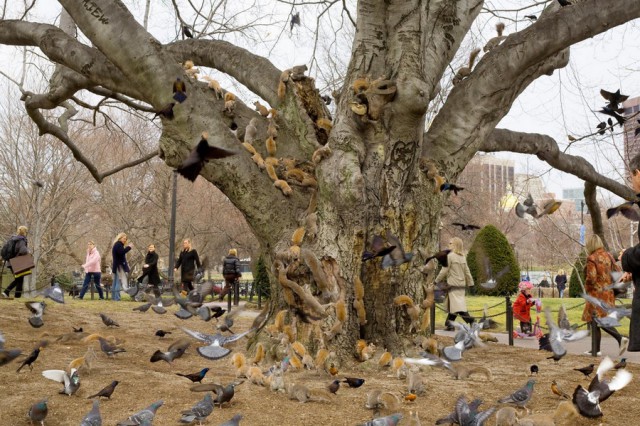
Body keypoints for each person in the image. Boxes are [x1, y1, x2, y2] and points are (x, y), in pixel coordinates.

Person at [583, 234, 628, 356]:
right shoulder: (608, 256)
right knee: (598, 320)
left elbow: (591, 278)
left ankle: (620, 338)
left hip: (596, 294)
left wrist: (586, 286)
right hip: (608, 293)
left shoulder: (591, 258)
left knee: (598, 320)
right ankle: (595, 349)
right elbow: (619, 273)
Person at [435, 237, 474, 330]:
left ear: (455, 245)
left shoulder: (450, 256)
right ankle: (449, 324)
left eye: (451, 243)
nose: (449, 244)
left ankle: (471, 321)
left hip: (453, 284)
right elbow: (467, 271)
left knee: (458, 307)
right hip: (461, 284)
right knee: (455, 304)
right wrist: (471, 283)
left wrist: (436, 280)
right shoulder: (463, 257)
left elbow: (444, 270)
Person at [2, 226, 30, 298]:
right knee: (20, 280)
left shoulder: (12, 239)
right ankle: (11, 294)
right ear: (25, 232)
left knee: (18, 279)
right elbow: (23, 251)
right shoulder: (21, 240)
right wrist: (28, 252)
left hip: (10, 262)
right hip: (17, 262)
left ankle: (7, 293)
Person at [111, 232, 132, 301]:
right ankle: (117, 297)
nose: (125, 240)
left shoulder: (117, 245)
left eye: (125, 239)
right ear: (120, 238)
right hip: (119, 266)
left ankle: (114, 297)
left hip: (116, 265)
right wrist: (129, 247)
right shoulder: (118, 244)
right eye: (124, 238)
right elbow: (121, 252)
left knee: (115, 282)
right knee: (118, 282)